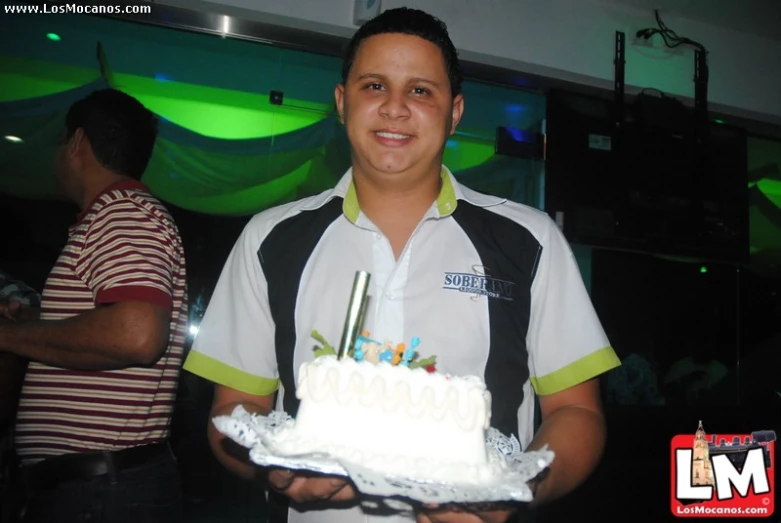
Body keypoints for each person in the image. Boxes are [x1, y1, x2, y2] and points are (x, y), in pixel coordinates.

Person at [184, 7, 620, 523]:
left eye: (420, 90)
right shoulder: (270, 238)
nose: (394, 108)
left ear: (454, 112)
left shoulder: (529, 240)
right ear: (342, 102)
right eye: (374, 86)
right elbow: (233, 409)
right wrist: (272, 471)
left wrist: (514, 493)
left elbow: (577, 413)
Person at [0, 89, 189, 523]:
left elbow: (137, 333)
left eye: (59, 141)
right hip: (102, 487)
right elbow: (119, 323)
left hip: (102, 491)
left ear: (77, 143)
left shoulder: (123, 213)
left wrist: (10, 336)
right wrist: (37, 324)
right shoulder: (119, 215)